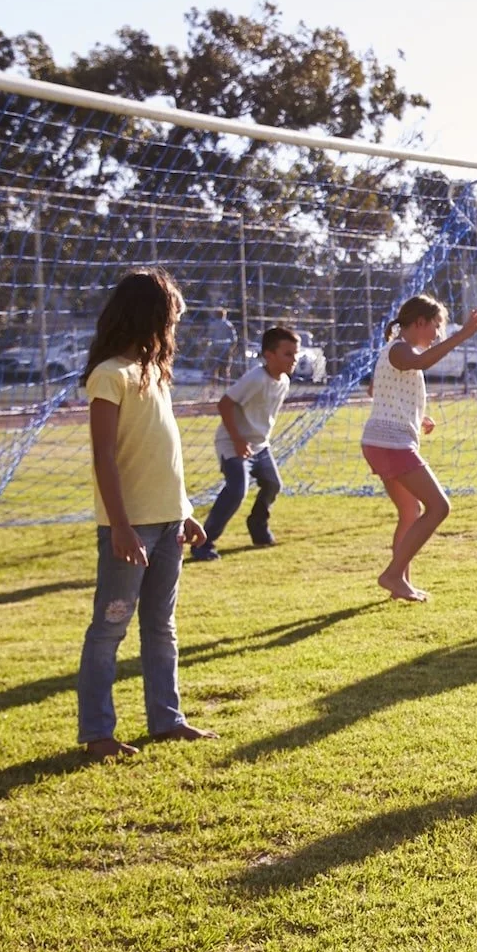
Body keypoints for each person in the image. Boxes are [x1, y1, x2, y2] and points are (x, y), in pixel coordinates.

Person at [78, 269, 218, 758]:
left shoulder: (156, 375)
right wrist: (119, 526)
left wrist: (186, 513)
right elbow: (105, 459)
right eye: (172, 313)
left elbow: (166, 457)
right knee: (110, 628)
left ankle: (167, 720)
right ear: (150, 316)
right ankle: (97, 734)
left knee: (161, 626)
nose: (177, 320)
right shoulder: (109, 376)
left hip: (169, 525)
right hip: (130, 530)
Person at [360, 296, 477, 602]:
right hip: (391, 444)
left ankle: (399, 582)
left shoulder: (396, 351)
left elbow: (379, 391)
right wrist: (465, 333)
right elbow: (422, 362)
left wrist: (418, 417)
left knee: (410, 511)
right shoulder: (401, 349)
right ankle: (392, 574)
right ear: (419, 322)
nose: (438, 333)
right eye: (436, 325)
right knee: (439, 507)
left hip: (382, 442)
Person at [193, 325, 297, 560]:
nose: (294, 359)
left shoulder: (284, 381)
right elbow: (224, 404)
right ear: (269, 355)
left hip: (260, 445)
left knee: (273, 484)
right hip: (233, 443)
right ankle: (203, 542)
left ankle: (258, 526)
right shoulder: (255, 378)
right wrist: (238, 440)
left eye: (295, 354)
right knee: (237, 490)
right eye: (288, 354)